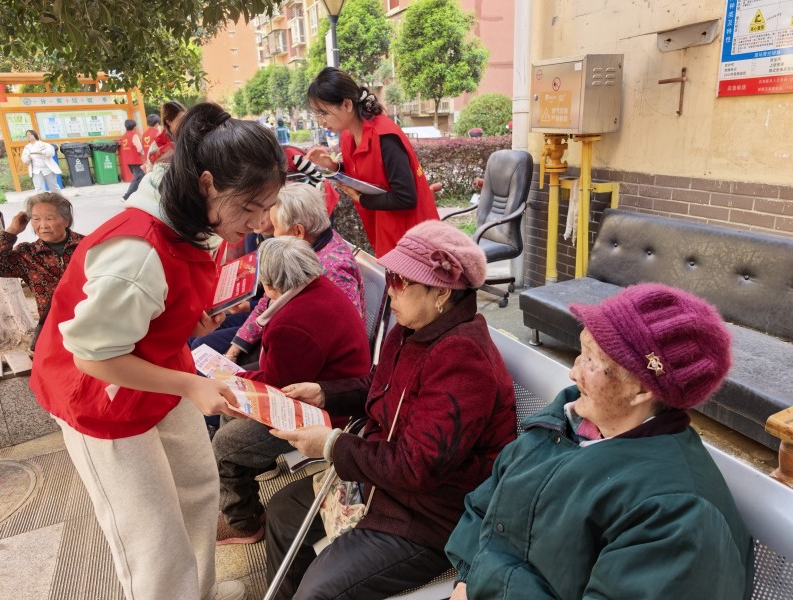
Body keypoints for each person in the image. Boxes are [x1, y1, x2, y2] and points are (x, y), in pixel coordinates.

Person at [30, 102, 288, 600]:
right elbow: (92, 355)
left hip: (157, 368)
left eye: (266, 208)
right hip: (98, 392)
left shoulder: (191, 211)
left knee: (196, 488)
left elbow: (164, 288)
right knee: (150, 535)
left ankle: (198, 591)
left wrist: (185, 317)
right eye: (248, 209)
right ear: (208, 183)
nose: (257, 224)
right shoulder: (135, 252)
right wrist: (191, 384)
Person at [445, 283, 754, 600]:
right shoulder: (562, 426)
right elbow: (485, 505)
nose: (574, 373)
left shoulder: (677, 514)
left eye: (591, 360)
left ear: (642, 389)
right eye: (581, 352)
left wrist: (484, 585)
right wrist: (466, 582)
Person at [265, 220, 517, 599]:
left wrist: (333, 445)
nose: (389, 288)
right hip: (379, 484)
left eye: (400, 280)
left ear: (441, 293)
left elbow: (417, 466)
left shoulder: (463, 358)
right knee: (282, 511)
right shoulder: (411, 330)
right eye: (390, 275)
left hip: (427, 516)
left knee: (320, 591)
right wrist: (324, 393)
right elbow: (381, 385)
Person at [213, 236, 371, 545]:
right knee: (229, 416)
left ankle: (242, 521)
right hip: (331, 389)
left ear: (271, 284)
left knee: (223, 446)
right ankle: (250, 482)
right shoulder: (318, 287)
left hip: (326, 409)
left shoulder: (293, 322)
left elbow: (278, 384)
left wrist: (233, 375)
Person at [223, 182, 365, 365]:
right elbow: (269, 301)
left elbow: (343, 335)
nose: (273, 234)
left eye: (275, 227)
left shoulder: (334, 270)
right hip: (282, 334)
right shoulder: (303, 249)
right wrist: (236, 347)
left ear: (298, 231)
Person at [305, 67, 439, 256]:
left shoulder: (385, 137)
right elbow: (364, 174)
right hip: (384, 227)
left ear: (346, 105)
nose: (320, 121)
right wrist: (334, 166)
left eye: (323, 113)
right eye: (316, 115)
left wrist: (361, 198)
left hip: (413, 236)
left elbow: (406, 197)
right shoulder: (347, 136)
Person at [0, 192, 82, 350]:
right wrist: (12, 231)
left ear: (66, 220)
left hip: (90, 321)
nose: (43, 225)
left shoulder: (87, 245)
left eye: (49, 218)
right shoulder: (27, 254)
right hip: (53, 328)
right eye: (36, 219)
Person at [146, 100, 186, 170]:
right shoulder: (158, 144)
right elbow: (150, 170)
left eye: (186, 119)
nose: (185, 123)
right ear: (169, 122)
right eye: (180, 120)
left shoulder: (190, 137)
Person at [120, 119, 145, 201]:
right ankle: (126, 197)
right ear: (134, 126)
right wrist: (146, 154)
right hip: (135, 160)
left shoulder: (123, 136)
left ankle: (139, 196)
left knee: (140, 177)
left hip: (128, 161)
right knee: (139, 177)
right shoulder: (134, 136)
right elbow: (140, 149)